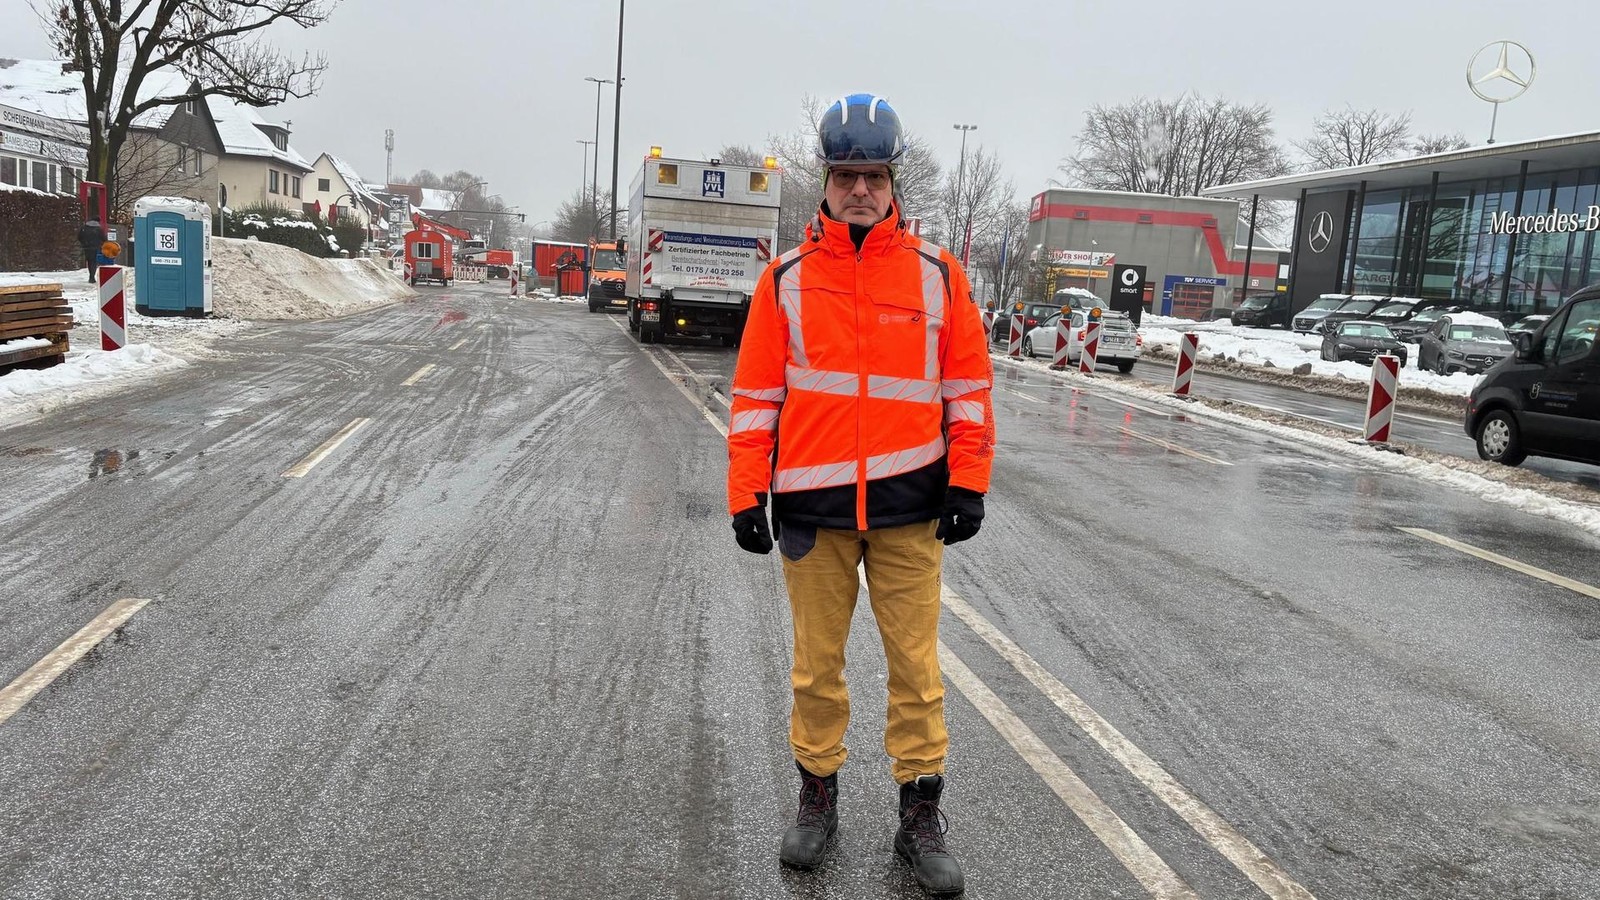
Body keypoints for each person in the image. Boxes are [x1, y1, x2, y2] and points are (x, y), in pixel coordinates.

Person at [726, 93, 994, 897]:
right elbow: (754, 400)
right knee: (817, 670)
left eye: (874, 176)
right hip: (814, 515)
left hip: (913, 511)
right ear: (827, 180)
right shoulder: (785, 282)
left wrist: (969, 482)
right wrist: (747, 496)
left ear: (892, 182)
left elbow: (969, 391)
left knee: (916, 669)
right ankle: (818, 796)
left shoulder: (939, 277)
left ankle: (921, 813)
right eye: (847, 175)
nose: (861, 191)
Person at [78, 217, 107, 283]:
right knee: (93, 262)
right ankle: (92, 277)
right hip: (95, 247)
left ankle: (91, 275)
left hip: (86, 247)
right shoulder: (98, 229)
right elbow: (104, 238)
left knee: (89, 261)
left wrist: (84, 243)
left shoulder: (84, 228)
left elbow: (79, 237)